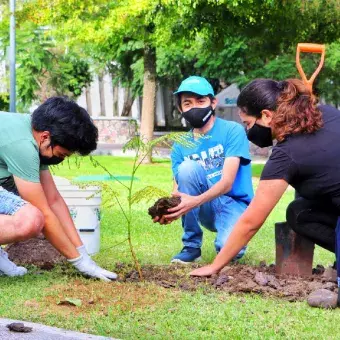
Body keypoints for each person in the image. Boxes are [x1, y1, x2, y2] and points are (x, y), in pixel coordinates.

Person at [189, 78, 340, 304]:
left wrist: (215, 265)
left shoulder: (286, 154)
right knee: (299, 212)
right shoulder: (326, 112)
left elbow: (251, 221)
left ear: (267, 116)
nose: (248, 131)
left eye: (248, 124)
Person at [0, 97, 117, 281]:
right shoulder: (21, 145)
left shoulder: (34, 135)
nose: (61, 160)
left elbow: (53, 199)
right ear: (46, 137)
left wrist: (82, 253)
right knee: (31, 219)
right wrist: (78, 262)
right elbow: (45, 213)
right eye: (61, 155)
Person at [155, 76, 254, 263]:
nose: (195, 107)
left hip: (233, 203)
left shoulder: (233, 131)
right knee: (187, 167)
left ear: (213, 102)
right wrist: (170, 210)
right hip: (204, 208)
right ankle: (191, 247)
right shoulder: (180, 145)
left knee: (230, 251)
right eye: (188, 103)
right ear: (180, 109)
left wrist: (193, 202)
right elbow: (179, 190)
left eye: (201, 101)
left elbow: (227, 183)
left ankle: (232, 238)